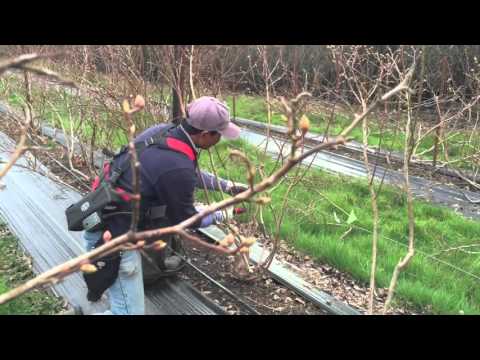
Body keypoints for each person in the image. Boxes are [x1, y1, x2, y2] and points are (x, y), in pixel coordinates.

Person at [82, 96, 247, 315]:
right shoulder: (177, 165)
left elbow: (186, 172)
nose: (222, 139)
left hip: (100, 215)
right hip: (114, 238)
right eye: (220, 134)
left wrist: (226, 186)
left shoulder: (163, 132)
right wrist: (225, 213)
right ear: (206, 135)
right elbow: (188, 220)